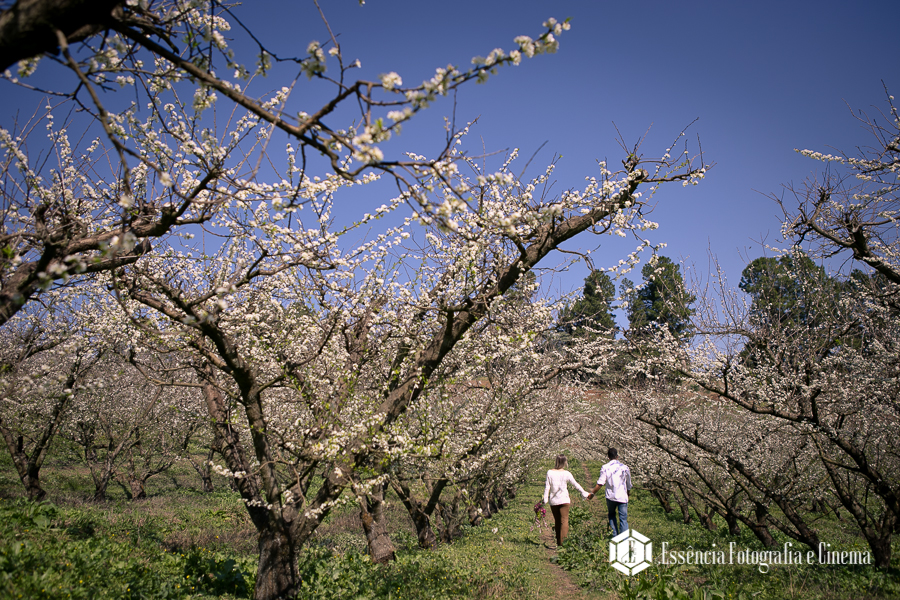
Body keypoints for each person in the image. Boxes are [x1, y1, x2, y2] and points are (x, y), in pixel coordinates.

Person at [543, 454, 590, 549]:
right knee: (564, 521)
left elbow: (547, 487)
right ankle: (563, 544)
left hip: (554, 501)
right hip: (564, 500)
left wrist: (545, 498)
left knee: (557, 521)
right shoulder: (567, 473)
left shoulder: (550, 473)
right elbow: (575, 484)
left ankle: (558, 541)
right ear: (565, 462)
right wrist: (584, 493)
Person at [587, 447, 632, 537]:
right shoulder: (625, 467)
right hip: (622, 496)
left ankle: (614, 536)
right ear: (617, 456)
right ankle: (624, 541)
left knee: (611, 515)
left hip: (611, 496)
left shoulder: (605, 467)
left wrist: (592, 493)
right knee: (623, 519)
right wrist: (628, 492)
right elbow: (629, 483)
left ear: (608, 457)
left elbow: (600, 483)